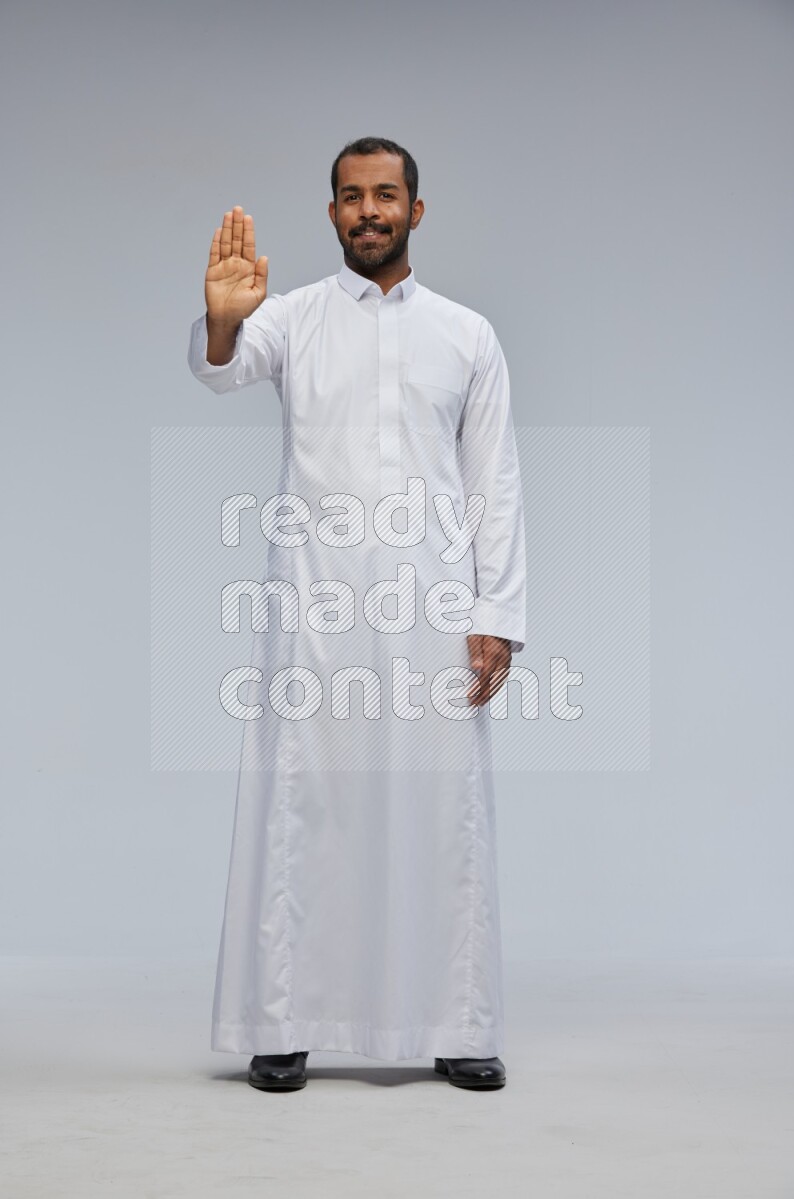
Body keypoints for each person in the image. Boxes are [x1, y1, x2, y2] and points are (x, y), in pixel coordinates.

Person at [186, 136, 526, 1092]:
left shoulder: (467, 334)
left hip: (433, 606)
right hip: (317, 605)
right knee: (305, 804)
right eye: (349, 196)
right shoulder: (291, 318)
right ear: (332, 212)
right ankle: (284, 1020)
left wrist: (496, 611)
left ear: (415, 210)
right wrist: (222, 325)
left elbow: (493, 481)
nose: (367, 211)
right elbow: (221, 367)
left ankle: (458, 1023)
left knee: (442, 809)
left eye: (384, 195)